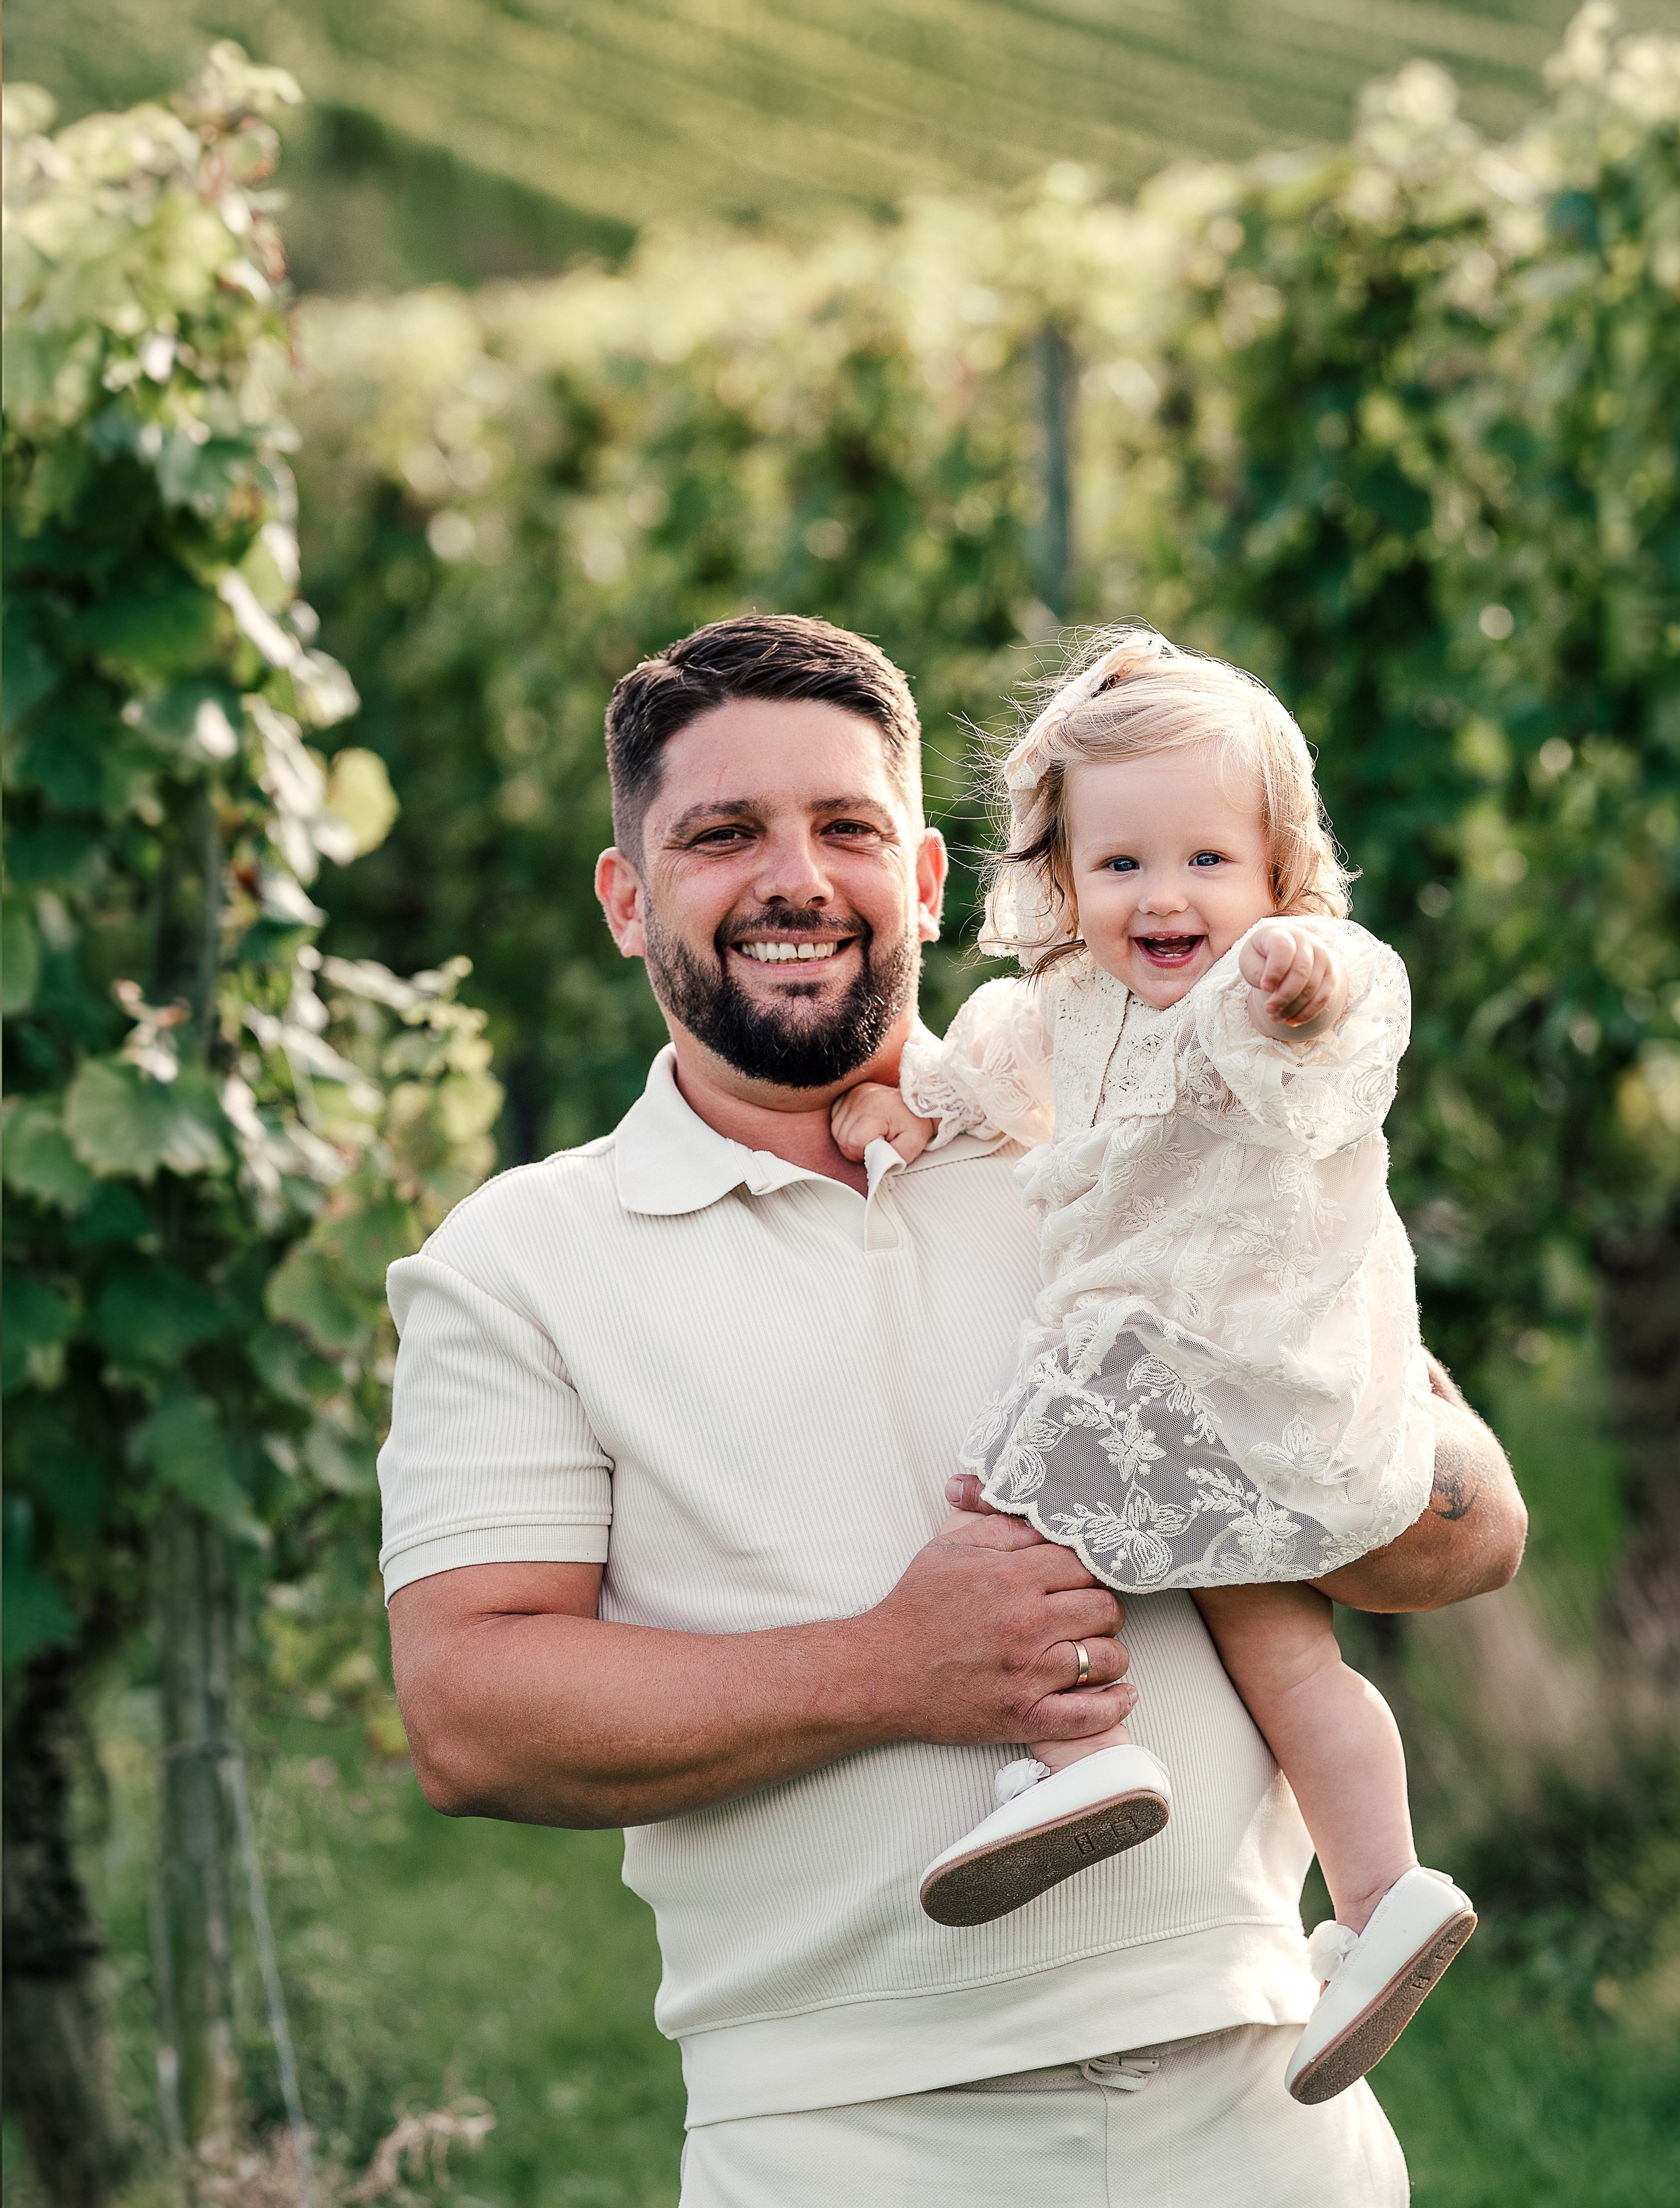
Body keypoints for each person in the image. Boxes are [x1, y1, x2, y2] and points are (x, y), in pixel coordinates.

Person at [379, 614, 1525, 2206]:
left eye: (844, 828)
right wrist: (891, 1670)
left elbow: (1470, 1524)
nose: (793, 879)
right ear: (625, 896)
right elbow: (469, 1712)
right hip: (847, 2132)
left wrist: (1349, 1476)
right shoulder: (517, 1265)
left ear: (925, 879)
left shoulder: (1129, 1140)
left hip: (1263, 2105)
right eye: (720, 835)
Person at [831, 627, 1474, 2106]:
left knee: (1000, 1510)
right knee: (1282, 1652)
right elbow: (972, 1081)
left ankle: (1078, 1757)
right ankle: (1381, 1899)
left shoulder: (1276, 978)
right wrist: (907, 1118)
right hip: (1240, 1420)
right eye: (1118, 867)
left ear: (1278, 875)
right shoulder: (1059, 1005)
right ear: (1061, 884)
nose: (1163, 897)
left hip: (1210, 1362)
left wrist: (1299, 990)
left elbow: (1329, 1026)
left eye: (1204, 861)